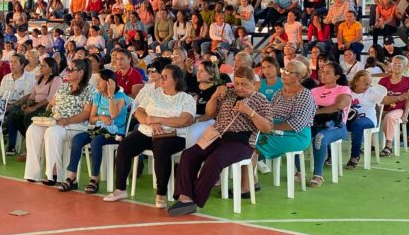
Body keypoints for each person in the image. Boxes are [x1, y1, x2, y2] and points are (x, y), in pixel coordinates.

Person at [169, 66, 273, 216]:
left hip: (241, 142)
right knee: (189, 155)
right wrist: (214, 96)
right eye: (237, 83)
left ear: (254, 84)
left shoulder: (260, 100)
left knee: (215, 159)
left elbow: (267, 128)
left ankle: (195, 199)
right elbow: (210, 113)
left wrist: (250, 112)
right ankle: (185, 197)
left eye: (244, 84)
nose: (239, 87)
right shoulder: (228, 94)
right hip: (217, 136)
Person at [103, 64, 195, 207]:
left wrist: (158, 120)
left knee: (161, 148)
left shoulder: (186, 98)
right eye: (161, 76)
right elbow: (139, 111)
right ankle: (120, 189)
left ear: (176, 79)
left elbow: (185, 120)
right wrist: (149, 122)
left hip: (172, 136)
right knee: (125, 146)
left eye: (165, 77)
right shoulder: (154, 93)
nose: (161, 79)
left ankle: (161, 194)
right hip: (146, 131)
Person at [23, 59, 95, 184]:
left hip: (75, 124)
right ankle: (33, 173)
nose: (67, 71)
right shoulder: (64, 86)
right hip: (56, 121)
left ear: (81, 72)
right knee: (33, 130)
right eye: (67, 69)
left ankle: (54, 174)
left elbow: (86, 113)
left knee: (52, 132)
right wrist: (46, 116)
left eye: (71, 69)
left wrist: (67, 120)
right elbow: (51, 103)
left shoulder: (89, 89)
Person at [60, 69, 130, 193]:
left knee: (96, 142)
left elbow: (113, 115)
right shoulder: (97, 96)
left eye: (100, 81)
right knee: (78, 139)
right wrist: (100, 117)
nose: (97, 84)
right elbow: (92, 119)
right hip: (98, 129)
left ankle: (94, 178)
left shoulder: (120, 97)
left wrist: (111, 94)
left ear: (110, 83)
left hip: (116, 133)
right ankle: (72, 177)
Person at [254, 60, 316, 179]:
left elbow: (297, 124)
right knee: (248, 138)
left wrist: (269, 127)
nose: (283, 73)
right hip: (274, 130)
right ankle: (249, 181)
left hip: (297, 136)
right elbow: (269, 114)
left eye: (288, 71)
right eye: (284, 70)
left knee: (252, 143)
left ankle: (249, 183)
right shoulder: (279, 93)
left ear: (298, 77)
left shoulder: (305, 94)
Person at [7, 57, 63, 158]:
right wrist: (27, 104)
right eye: (40, 65)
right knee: (14, 116)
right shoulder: (40, 79)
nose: (41, 67)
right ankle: (33, 141)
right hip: (35, 104)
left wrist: (33, 108)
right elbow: (32, 95)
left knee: (29, 116)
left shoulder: (56, 79)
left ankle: (29, 149)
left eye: (44, 66)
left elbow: (50, 98)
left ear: (51, 68)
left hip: (47, 107)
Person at [308, 62, 352, 187]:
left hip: (337, 127)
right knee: (296, 133)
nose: (323, 74)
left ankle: (318, 175)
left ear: (337, 76)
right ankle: (299, 171)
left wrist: (315, 112)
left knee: (320, 138)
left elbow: (339, 106)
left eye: (328, 72)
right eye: (322, 71)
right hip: (315, 124)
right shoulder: (314, 90)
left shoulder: (343, 89)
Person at [346, 71, 386, 169]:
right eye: (365, 83)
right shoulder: (346, 91)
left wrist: (399, 97)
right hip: (349, 119)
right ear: (356, 81)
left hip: (368, 120)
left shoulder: (371, 91)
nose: (368, 86)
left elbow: (385, 100)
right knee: (330, 123)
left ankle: (355, 156)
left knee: (358, 124)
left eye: (369, 83)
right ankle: (330, 156)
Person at [377, 55, 409, 157]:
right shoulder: (383, 81)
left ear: (405, 67)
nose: (396, 67)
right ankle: (373, 144)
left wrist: (405, 115)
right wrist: (379, 111)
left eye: (399, 65)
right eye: (394, 64)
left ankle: (388, 145)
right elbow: (378, 99)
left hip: (399, 109)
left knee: (389, 117)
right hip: (383, 108)